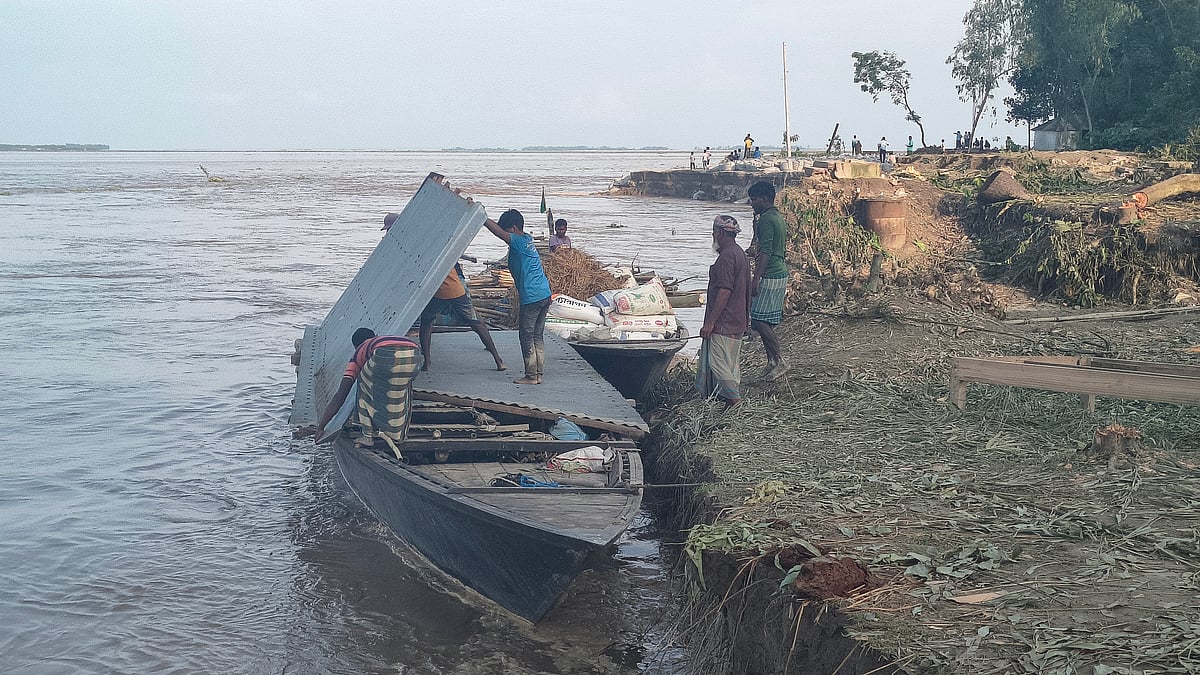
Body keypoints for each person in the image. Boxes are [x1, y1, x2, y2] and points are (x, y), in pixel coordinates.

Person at [316, 328, 422, 448]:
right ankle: (397, 434)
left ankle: (367, 436)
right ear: (374, 336)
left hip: (385, 354)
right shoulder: (379, 341)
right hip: (415, 353)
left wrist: (321, 427)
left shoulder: (358, 353)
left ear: (356, 346)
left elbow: (340, 396)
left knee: (363, 383)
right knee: (402, 389)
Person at [483, 209, 552, 385]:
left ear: (513, 228)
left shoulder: (519, 242)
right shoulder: (528, 239)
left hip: (532, 297)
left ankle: (530, 376)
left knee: (526, 336)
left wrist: (480, 216)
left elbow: (498, 233)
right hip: (544, 293)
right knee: (537, 335)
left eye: (507, 230)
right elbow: (501, 232)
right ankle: (538, 374)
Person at [697, 215, 751, 409]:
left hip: (725, 321)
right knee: (730, 363)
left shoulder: (727, 257)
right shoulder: (739, 254)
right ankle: (727, 402)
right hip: (738, 319)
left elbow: (725, 291)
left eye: (714, 232)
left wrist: (710, 322)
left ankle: (734, 401)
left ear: (719, 233)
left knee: (718, 364)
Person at [419, 263, 505, 372]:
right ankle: (498, 360)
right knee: (476, 323)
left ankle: (427, 362)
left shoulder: (430, 257)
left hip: (438, 293)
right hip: (457, 290)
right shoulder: (446, 256)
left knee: (426, 322)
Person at [747, 181, 788, 381]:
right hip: (777, 271)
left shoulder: (766, 220)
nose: (752, 203)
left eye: (754, 200)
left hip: (771, 273)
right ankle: (771, 361)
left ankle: (779, 361)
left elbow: (766, 251)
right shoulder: (775, 217)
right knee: (760, 319)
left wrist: (756, 278)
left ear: (764, 198)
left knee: (760, 320)